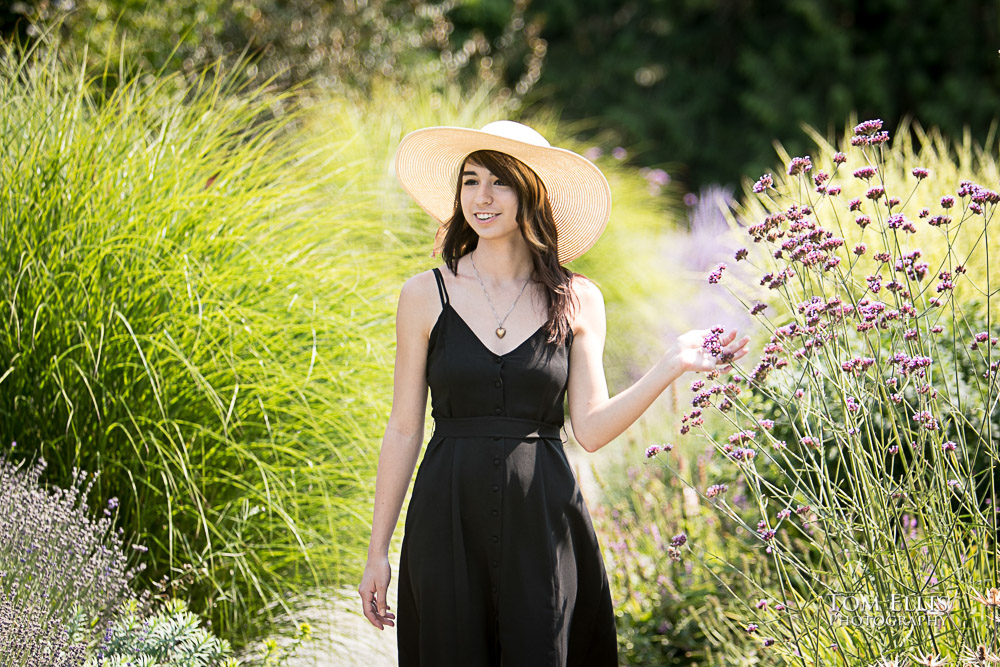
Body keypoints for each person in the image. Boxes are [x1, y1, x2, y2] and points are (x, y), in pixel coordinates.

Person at [358, 120, 751, 666]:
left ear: (532, 194)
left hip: (544, 520)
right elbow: (404, 427)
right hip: (446, 520)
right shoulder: (424, 295)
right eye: (471, 181)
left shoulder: (578, 298)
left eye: (501, 182)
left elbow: (588, 428)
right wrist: (377, 551)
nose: (482, 198)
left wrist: (672, 364)